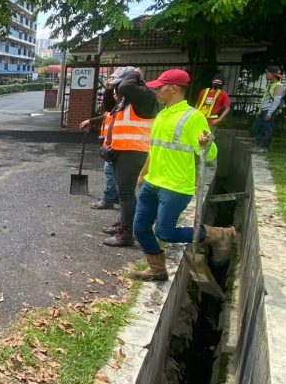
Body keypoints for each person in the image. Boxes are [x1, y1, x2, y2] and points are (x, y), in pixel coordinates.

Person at [131, 69, 236, 282]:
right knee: (140, 227)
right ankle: (157, 269)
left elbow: (210, 154)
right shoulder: (161, 115)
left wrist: (206, 143)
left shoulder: (193, 117)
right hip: (153, 183)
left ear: (174, 88)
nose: (156, 91)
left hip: (176, 186)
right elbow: (155, 149)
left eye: (160, 87)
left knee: (165, 232)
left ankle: (218, 235)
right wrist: (143, 174)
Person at [82, 66, 155, 248]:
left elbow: (126, 87)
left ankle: (127, 234)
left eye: (118, 84)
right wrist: (108, 87)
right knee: (124, 193)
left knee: (125, 194)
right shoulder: (125, 101)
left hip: (133, 151)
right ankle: (123, 226)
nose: (116, 90)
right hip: (121, 151)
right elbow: (107, 108)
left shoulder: (143, 97)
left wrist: (134, 73)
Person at [88, 81, 118, 210]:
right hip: (115, 144)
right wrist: (90, 121)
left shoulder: (124, 106)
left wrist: (109, 89)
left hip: (116, 145)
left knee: (110, 172)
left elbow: (107, 107)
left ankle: (108, 199)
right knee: (114, 173)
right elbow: (106, 115)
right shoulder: (121, 105)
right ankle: (114, 196)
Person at [251, 65, 286, 152]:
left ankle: (264, 147)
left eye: (267, 73)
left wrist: (270, 113)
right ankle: (258, 146)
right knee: (258, 128)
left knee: (267, 129)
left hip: (270, 111)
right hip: (264, 110)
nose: (266, 75)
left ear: (273, 75)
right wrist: (259, 111)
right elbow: (265, 100)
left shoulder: (279, 86)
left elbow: (277, 100)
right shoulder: (271, 85)